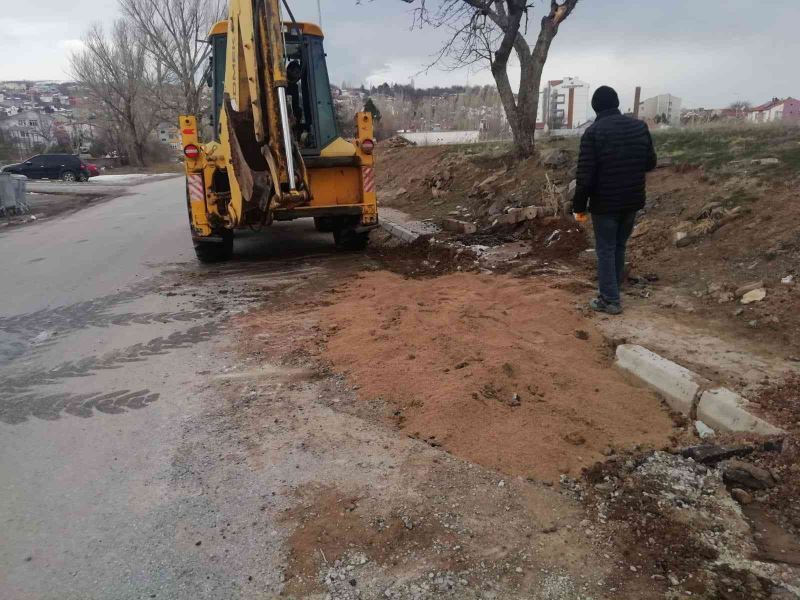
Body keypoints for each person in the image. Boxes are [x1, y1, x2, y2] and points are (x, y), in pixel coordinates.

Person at [573, 85, 657, 315]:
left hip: (605, 204)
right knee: (619, 245)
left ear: (595, 107)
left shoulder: (594, 133)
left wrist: (578, 208)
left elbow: (585, 177)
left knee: (606, 249)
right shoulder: (639, 127)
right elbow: (650, 162)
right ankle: (614, 288)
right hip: (632, 201)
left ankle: (610, 299)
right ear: (617, 103)